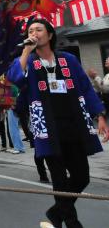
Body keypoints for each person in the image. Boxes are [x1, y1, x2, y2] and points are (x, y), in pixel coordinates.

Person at [8, 18, 108, 228]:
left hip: (74, 125)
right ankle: (72, 223)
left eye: (38, 29)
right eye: (30, 30)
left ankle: (55, 213)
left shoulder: (69, 59)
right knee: (60, 181)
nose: (34, 33)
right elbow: (15, 78)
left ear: (50, 34)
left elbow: (86, 88)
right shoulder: (30, 62)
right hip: (47, 128)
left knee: (82, 177)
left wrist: (100, 114)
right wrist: (26, 51)